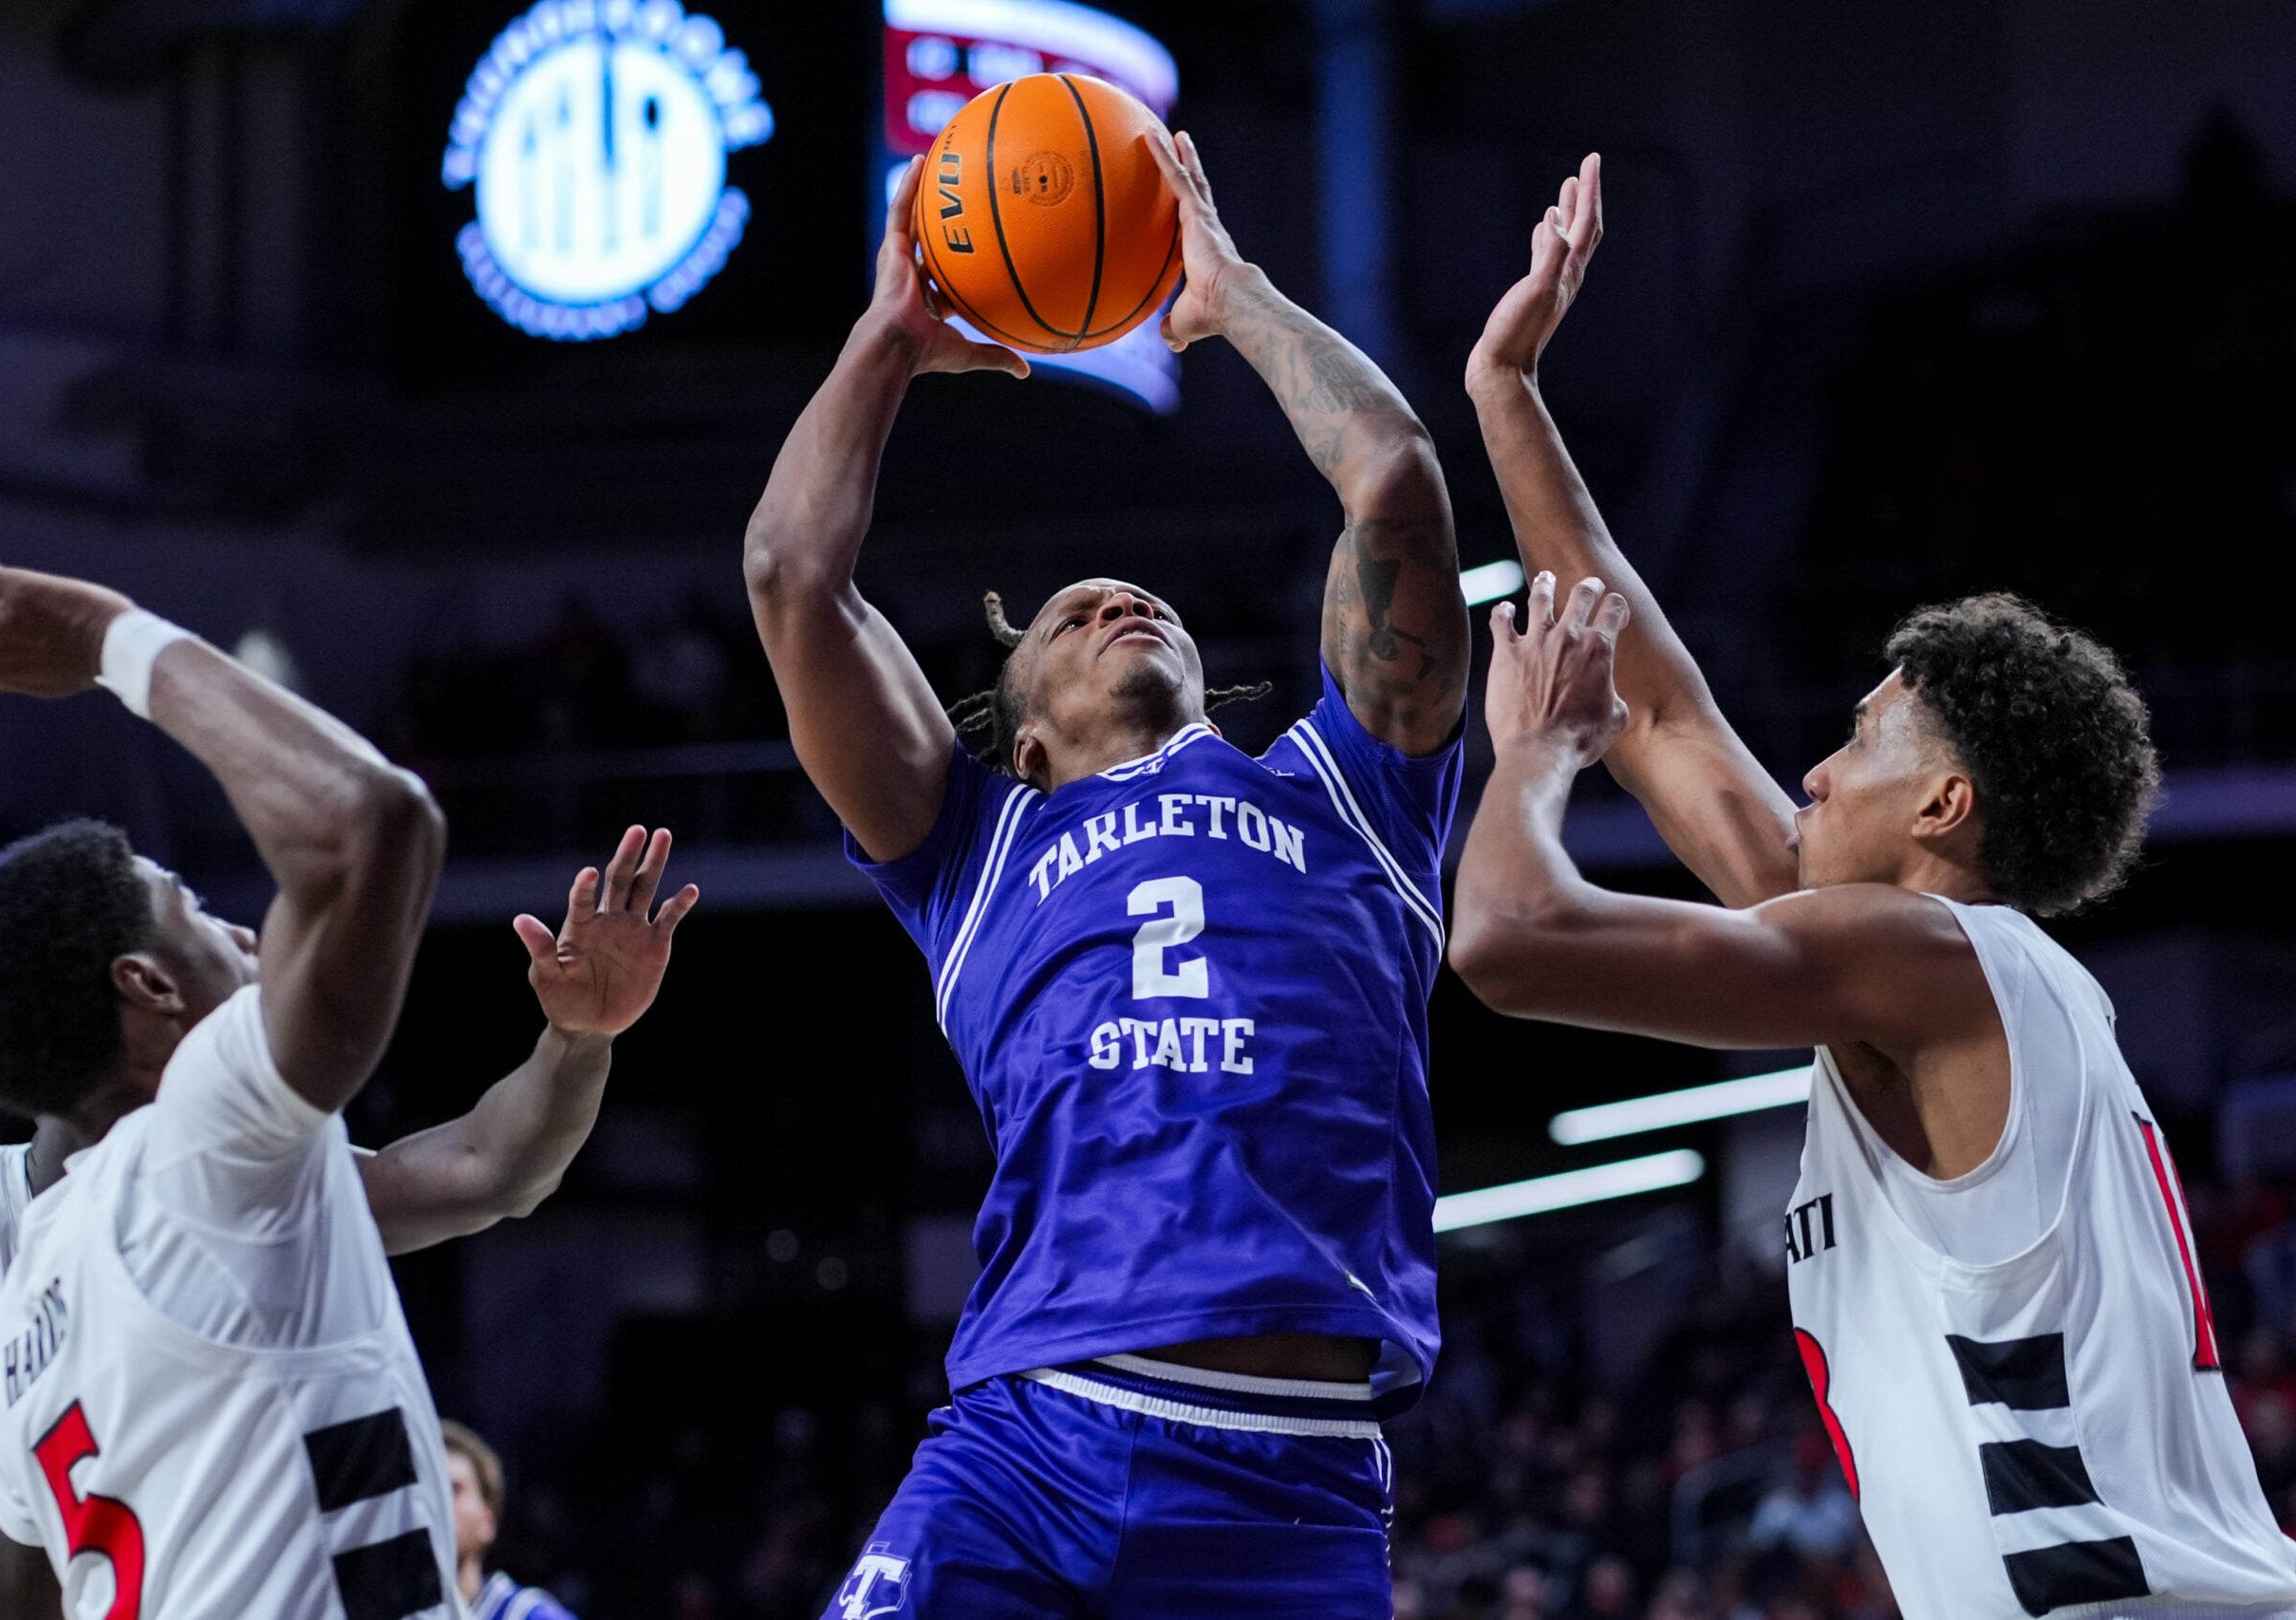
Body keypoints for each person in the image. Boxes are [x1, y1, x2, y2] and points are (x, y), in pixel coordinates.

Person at [1447, 156, 2296, 1617]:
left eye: (1854, 741)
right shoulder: (1933, 975)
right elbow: (1662, 713)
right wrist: (1506, 390)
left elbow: (1510, 935)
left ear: (1946, 804)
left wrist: (1529, 755)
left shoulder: (1927, 956)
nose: (1817, 772)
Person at [744, 134, 1468, 1617]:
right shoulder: (974, 845)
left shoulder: (1355, 792)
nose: (1116, 600)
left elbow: (1394, 477)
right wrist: (885, 342)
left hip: (1292, 1470)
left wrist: (1236, 298)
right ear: (1018, 740)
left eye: (1137, 598)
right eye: (1069, 617)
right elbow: (788, 577)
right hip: (1031, 1437)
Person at [0, 524, 687, 1619]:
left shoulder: (32, 1323)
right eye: (197, 914)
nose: (250, 936)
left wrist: (579, 1039)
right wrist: (107, 635)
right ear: (150, 989)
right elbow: (374, 822)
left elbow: (493, 1166)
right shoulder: (208, 1143)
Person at [443, 1419, 579, 1620]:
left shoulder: (529, 1616)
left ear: (487, 1521)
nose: (438, 1503)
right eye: (427, 1491)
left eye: (453, 1489)